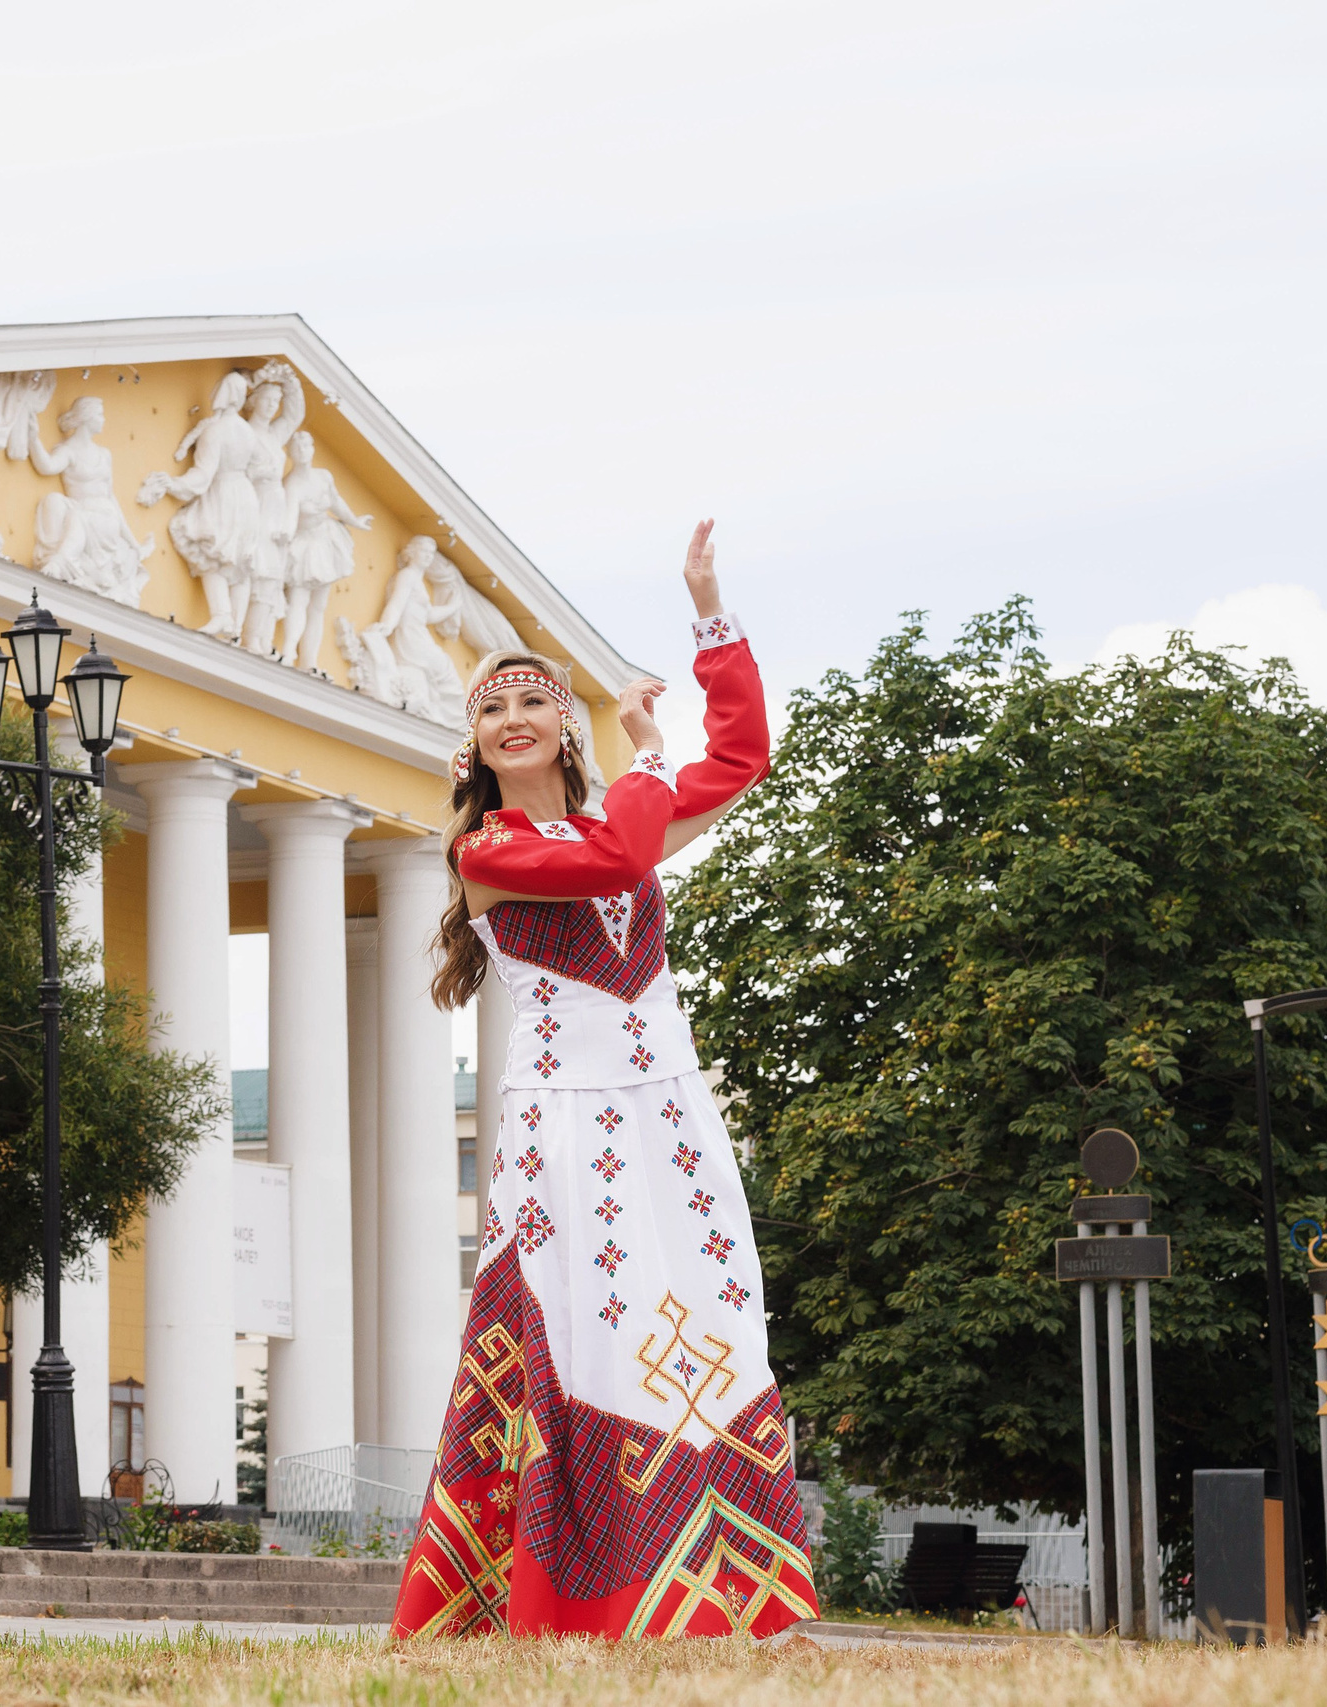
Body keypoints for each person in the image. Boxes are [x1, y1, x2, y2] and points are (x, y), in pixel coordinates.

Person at [389, 520, 815, 1640]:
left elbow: (744, 760)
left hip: (669, 1116)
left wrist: (709, 607)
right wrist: (646, 758)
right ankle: (571, 1594)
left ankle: (712, 1593)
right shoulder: (486, 855)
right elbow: (622, 857)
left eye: (533, 701)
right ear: (474, 748)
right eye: (491, 709)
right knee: (584, 1334)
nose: (514, 717)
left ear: (562, 725)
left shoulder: (615, 810)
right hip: (561, 1133)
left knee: (707, 1317)